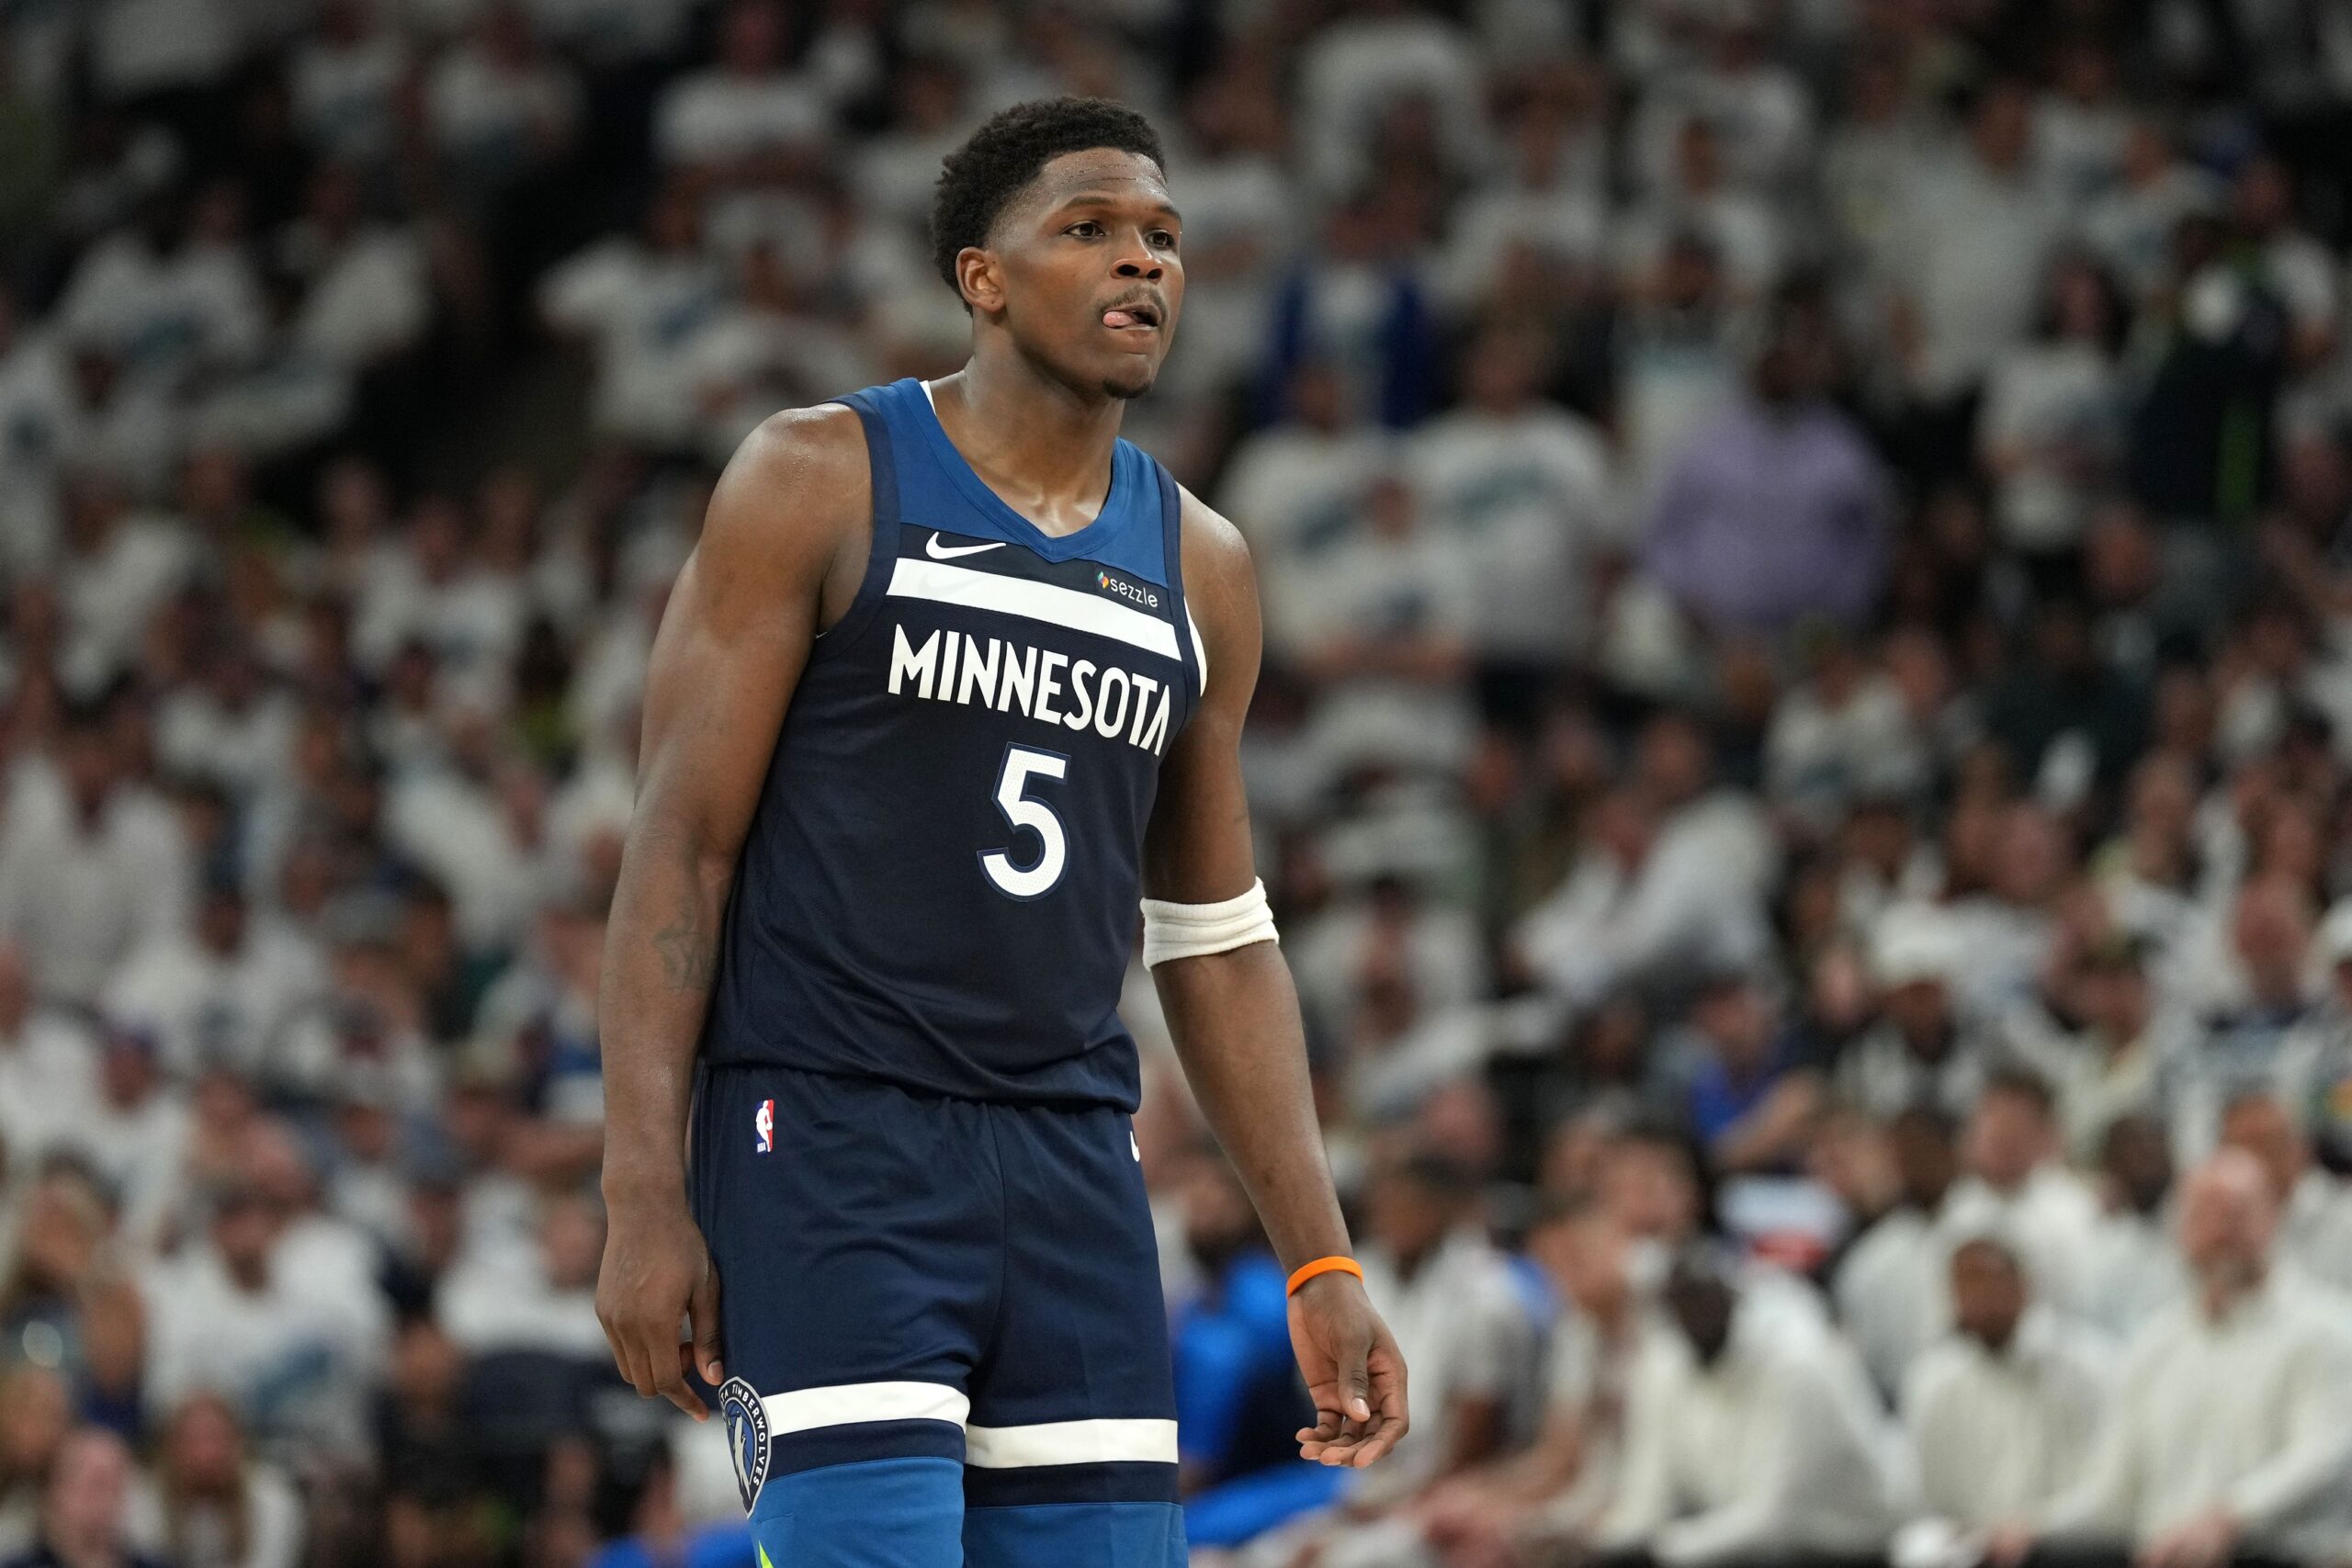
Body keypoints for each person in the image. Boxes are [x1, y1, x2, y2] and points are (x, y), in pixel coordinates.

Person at [591, 96, 1408, 1568]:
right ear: (982, 275)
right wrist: (644, 1191)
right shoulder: (817, 475)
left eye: (1162, 237)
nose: (1141, 264)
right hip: (829, 1136)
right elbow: (680, 852)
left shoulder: (1202, 563)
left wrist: (1320, 1249)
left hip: (1072, 1161)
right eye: (1090, 230)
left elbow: (1217, 938)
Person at [1989, 1151, 2352, 1568]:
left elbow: (2320, 1456)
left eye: (2234, 1215)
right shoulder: (2157, 1344)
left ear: (2272, 1220)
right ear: (2180, 1231)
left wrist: (2228, 1519)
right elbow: (2114, 1493)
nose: (2219, 1232)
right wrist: (2031, 1528)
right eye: (2202, 1216)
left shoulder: (2329, 1331)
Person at [1900, 1235, 2109, 1542]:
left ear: (2024, 1286)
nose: (1978, 1298)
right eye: (1965, 1285)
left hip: (2064, 1545)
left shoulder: (2086, 1367)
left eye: (1988, 1282)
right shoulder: (1935, 1382)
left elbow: (2104, 1487)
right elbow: (1931, 1497)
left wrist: (2035, 1528)